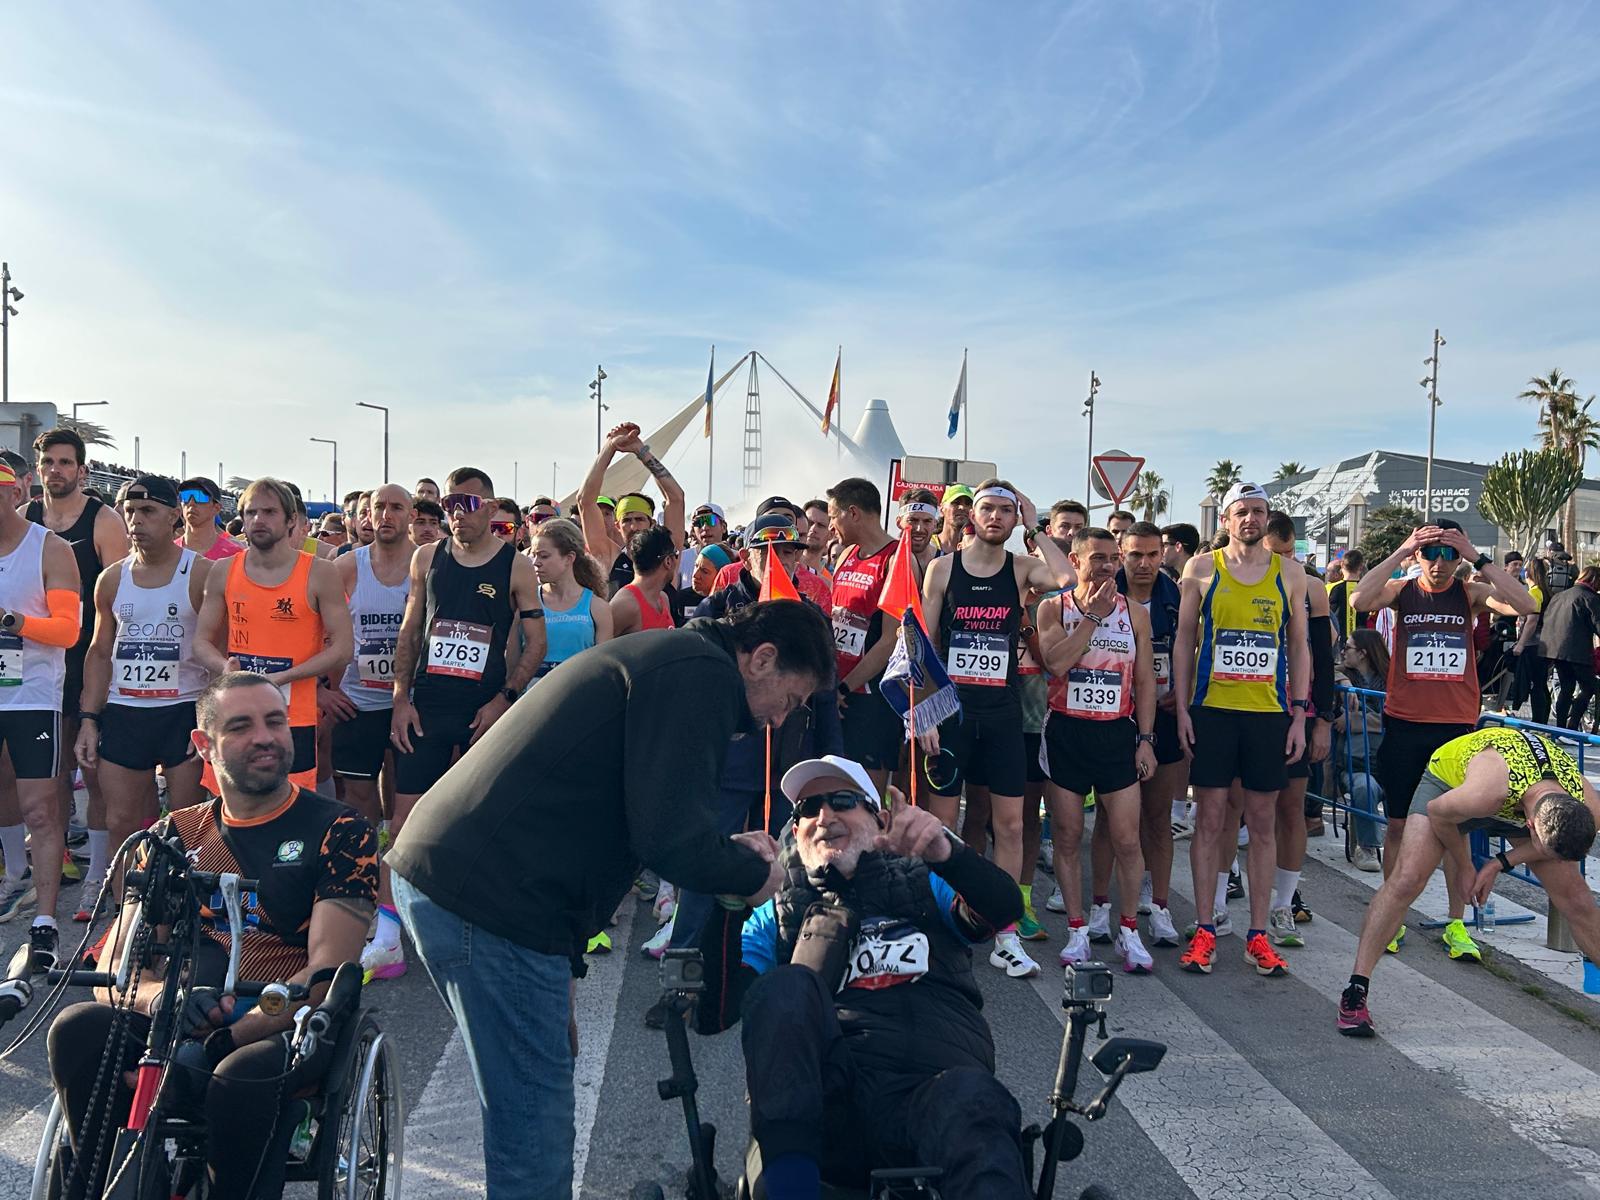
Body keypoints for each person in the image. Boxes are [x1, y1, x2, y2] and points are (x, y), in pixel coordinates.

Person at [386, 601, 834, 1200]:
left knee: (531, 1099)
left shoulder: (678, 658)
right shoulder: (701, 672)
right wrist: (756, 874)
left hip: (481, 880)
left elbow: (635, 814)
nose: (781, 718)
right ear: (763, 658)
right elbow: (669, 839)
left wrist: (566, 965)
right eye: (791, 698)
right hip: (490, 894)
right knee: (534, 1129)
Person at [48, 671, 375, 1199]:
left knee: (238, 1074)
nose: (265, 737)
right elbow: (118, 965)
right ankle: (103, 1184)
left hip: (282, 1025)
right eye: (241, 727)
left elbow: (325, 974)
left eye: (274, 722)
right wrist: (163, 1001)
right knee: (78, 1029)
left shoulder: (340, 831)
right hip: (181, 1013)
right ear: (204, 745)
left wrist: (226, 1038)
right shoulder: (170, 835)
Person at [693, 755, 1029, 1199]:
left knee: (971, 1097)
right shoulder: (775, 912)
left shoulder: (927, 881)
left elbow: (1004, 910)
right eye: (808, 809)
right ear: (795, 832)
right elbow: (712, 1014)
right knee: (785, 985)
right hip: (825, 1106)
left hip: (937, 1092)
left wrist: (948, 853)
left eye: (842, 801)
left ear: (881, 819)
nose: (824, 817)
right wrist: (729, 900)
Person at [382, 467, 545, 979]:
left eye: (467, 504)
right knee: (402, 822)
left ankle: (478, 922)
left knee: (483, 819)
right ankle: (387, 934)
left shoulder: (516, 566)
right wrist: (400, 699)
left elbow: (536, 642)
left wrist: (504, 699)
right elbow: (411, 630)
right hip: (428, 706)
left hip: (482, 709)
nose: (456, 512)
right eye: (450, 504)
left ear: (491, 508)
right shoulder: (426, 557)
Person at [1337, 726, 1600, 1037]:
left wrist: (1498, 863)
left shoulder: (1589, 807)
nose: (1554, 861)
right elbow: (1439, 815)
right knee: (1407, 880)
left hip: (1521, 800)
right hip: (1450, 787)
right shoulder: (1487, 791)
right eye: (1547, 851)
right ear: (1530, 826)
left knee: (1577, 898)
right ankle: (1356, 990)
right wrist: (1465, 866)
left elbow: (1549, 849)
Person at [1351, 519, 1533, 958]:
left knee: (1455, 830)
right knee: (1398, 824)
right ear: (1419, 556)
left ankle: (1456, 924)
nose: (1439, 563)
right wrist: (1403, 550)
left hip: (1455, 729)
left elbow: (1526, 604)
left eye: (1448, 554)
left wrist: (1477, 557)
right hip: (1405, 723)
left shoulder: (1470, 593)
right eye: (1431, 553)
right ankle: (1392, 918)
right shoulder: (1403, 591)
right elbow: (1359, 599)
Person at [921, 480, 1074, 979]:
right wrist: (924, 714)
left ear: (1014, 519)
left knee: (1009, 825)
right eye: (987, 508)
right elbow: (924, 644)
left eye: (1005, 511)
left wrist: (1036, 527)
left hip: (1003, 714)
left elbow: (1067, 577)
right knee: (943, 825)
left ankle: (1005, 934)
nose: (995, 517)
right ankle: (942, 922)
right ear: (972, 516)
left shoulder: (1022, 567)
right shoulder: (943, 569)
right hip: (953, 715)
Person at [1171, 483, 1308, 978]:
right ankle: (1206, 928)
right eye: (1242, 512)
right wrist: (1183, 708)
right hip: (1213, 710)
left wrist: (1299, 713)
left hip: (1268, 714)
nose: (1251, 519)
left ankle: (1258, 935)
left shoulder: (1290, 573)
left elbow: (1299, 646)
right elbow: (1184, 640)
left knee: (1263, 822)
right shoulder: (1200, 569)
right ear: (1226, 520)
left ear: (1268, 518)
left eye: (1259, 511)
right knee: (1209, 819)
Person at [74, 477, 211, 920]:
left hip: (183, 711)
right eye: (129, 512)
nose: (135, 521)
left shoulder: (202, 573)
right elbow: (99, 652)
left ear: (174, 516)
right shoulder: (112, 579)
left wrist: (210, 718)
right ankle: (125, 917)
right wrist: (89, 718)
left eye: (147, 511)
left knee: (188, 824)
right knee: (122, 822)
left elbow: (219, 649)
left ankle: (186, 915)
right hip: (126, 710)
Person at [1039, 527, 1159, 974]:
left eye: (1113, 558)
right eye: (1098, 558)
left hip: (1116, 734)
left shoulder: (1135, 613)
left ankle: (1129, 930)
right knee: (1068, 835)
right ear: (1075, 561)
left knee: (1127, 838)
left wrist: (1146, 740)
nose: (1108, 566)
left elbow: (1145, 680)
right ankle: (1077, 929)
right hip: (1066, 732)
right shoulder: (1054, 608)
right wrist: (1091, 617)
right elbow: (1056, 662)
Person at [27, 428, 130, 920]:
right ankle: (56, 860)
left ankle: (98, 875)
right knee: (49, 772)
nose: (56, 470)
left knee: (93, 769)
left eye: (66, 462)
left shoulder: (103, 521)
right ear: (38, 469)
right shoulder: (25, 518)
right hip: (35, 660)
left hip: (87, 658)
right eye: (49, 462)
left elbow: (122, 599)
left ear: (83, 470)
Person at [195, 477, 354, 794]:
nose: (258, 520)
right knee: (231, 803)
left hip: (293, 717)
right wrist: (224, 667)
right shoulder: (223, 570)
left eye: (269, 512)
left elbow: (343, 649)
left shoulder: (320, 572)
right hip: (235, 712)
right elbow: (201, 641)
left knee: (291, 807)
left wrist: (283, 677)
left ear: (291, 520)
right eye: (251, 512)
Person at [0, 457, 82, 969]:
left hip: (31, 696)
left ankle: (46, 921)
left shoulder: (49, 548)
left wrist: (12, 620)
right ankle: (15, 875)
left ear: (15, 494)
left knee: (39, 810)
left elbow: (69, 630)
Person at [1261, 510, 1337, 946]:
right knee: (1236, 809)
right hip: (1248, 708)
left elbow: (1324, 659)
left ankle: (1286, 900)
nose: (1287, 561)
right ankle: (1227, 884)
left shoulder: (1311, 587)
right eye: (1278, 554)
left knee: (1291, 809)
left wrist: (1323, 720)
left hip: (1298, 712)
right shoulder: (1238, 578)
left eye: (1292, 553)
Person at [326, 484, 414, 833]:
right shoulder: (346, 567)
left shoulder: (427, 565)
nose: (386, 515)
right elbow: (313, 630)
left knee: (409, 794)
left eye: (396, 508)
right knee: (359, 793)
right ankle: (365, 854)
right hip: (358, 701)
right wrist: (322, 690)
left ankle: (397, 855)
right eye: (379, 507)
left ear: (411, 515)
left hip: (410, 701)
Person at [827, 478, 902, 791]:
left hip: (870, 697)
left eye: (833, 516)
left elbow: (890, 639)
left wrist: (845, 688)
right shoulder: (846, 555)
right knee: (833, 790)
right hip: (836, 691)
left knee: (865, 797)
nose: (831, 526)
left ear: (853, 513)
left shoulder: (896, 559)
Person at [578, 422, 686, 598]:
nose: (633, 527)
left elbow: (676, 498)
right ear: (617, 526)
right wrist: (610, 446)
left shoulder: (667, 554)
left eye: (639, 519)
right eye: (627, 520)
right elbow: (585, 501)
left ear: (651, 523)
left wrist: (640, 451)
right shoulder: (610, 557)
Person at [529, 516, 613, 679]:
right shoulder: (527, 601)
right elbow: (512, 662)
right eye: (534, 556)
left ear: (569, 558)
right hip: (533, 693)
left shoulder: (597, 607)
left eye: (544, 556)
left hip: (578, 692)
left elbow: (603, 670)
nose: (536, 563)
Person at [1535, 564, 1600, 730]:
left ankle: (1560, 729)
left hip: (1554, 649)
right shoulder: (1591, 598)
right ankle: (1572, 727)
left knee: (1566, 688)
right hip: (1577, 651)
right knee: (1590, 688)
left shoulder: (1560, 596)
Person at [610, 527, 679, 635]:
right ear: (668, 561)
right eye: (676, 554)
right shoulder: (625, 605)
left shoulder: (663, 599)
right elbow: (598, 644)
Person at [178, 477, 244, 561]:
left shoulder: (234, 555)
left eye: (200, 497)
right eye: (185, 496)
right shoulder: (168, 552)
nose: (191, 503)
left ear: (216, 508)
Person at [898, 487, 942, 575]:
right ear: (899, 522)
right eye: (912, 520)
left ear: (935, 524)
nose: (919, 529)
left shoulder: (948, 563)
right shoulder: (885, 560)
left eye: (927, 521)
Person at [936, 484, 975, 555]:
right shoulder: (928, 544)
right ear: (942, 509)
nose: (962, 507)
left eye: (968, 504)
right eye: (956, 502)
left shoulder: (978, 549)